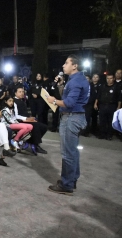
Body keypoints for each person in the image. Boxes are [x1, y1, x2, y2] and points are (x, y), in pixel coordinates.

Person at [45, 55, 90, 195]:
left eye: (66, 63)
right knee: (73, 151)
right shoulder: (78, 79)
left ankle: (66, 185)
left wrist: (53, 101)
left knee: (68, 153)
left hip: (71, 118)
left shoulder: (76, 81)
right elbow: (67, 97)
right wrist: (60, 85)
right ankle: (72, 179)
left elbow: (68, 103)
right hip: (76, 117)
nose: (63, 66)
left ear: (75, 66)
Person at [13, 86, 48, 155]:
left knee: (44, 127)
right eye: (20, 92)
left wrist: (30, 117)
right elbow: (16, 115)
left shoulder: (22, 100)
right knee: (36, 125)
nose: (22, 93)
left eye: (23, 92)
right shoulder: (14, 102)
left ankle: (30, 141)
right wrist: (26, 119)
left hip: (27, 119)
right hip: (20, 120)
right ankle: (36, 144)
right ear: (15, 93)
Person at [94, 73, 121, 140]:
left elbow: (119, 98)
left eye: (110, 78)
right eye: (107, 78)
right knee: (102, 121)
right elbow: (98, 96)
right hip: (102, 105)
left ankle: (109, 135)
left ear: (113, 79)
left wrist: (118, 107)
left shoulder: (116, 87)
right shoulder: (102, 86)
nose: (109, 80)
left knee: (110, 121)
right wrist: (95, 103)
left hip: (112, 106)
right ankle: (102, 134)